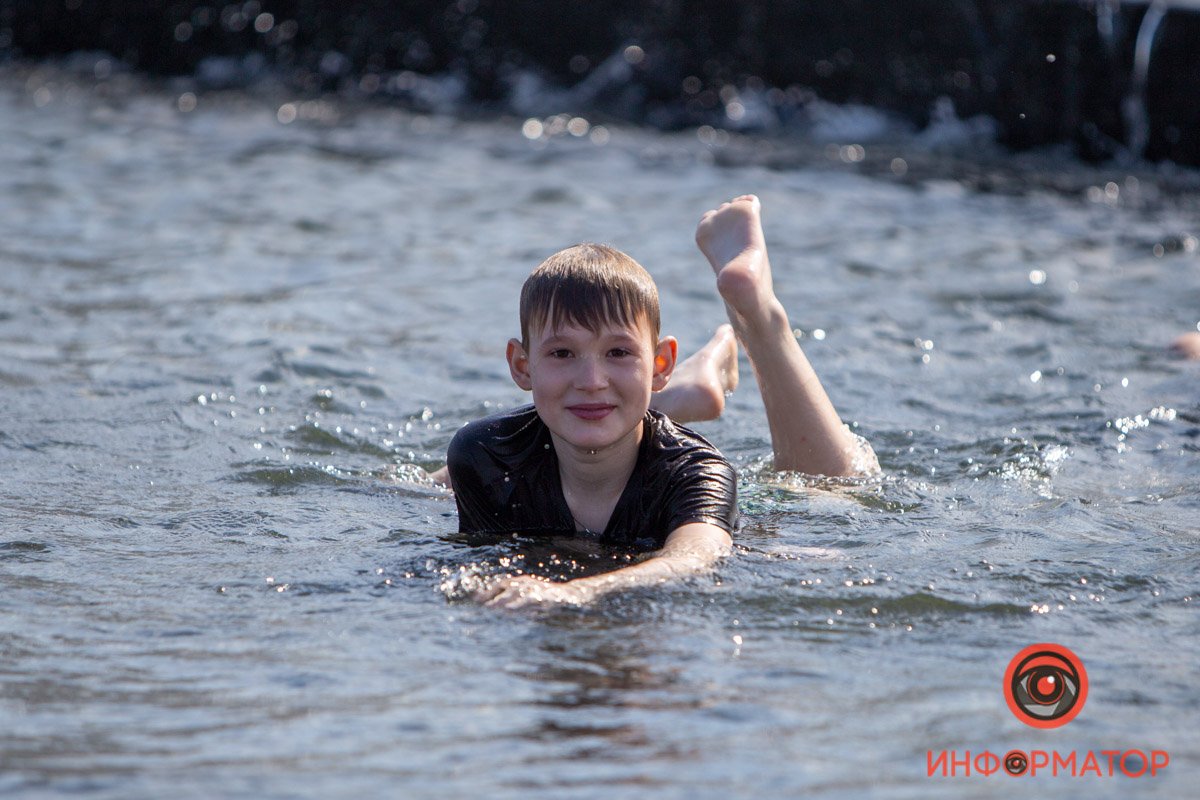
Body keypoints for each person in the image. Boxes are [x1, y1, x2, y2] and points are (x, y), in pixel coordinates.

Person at [431, 195, 877, 609]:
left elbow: (695, 559)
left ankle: (760, 314)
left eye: (619, 352)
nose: (590, 381)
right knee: (420, 486)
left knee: (835, 487)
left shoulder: (698, 471)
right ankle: (677, 392)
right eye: (562, 353)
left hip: (759, 510)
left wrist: (574, 592)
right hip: (588, 436)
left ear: (660, 362)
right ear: (522, 366)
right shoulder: (484, 455)